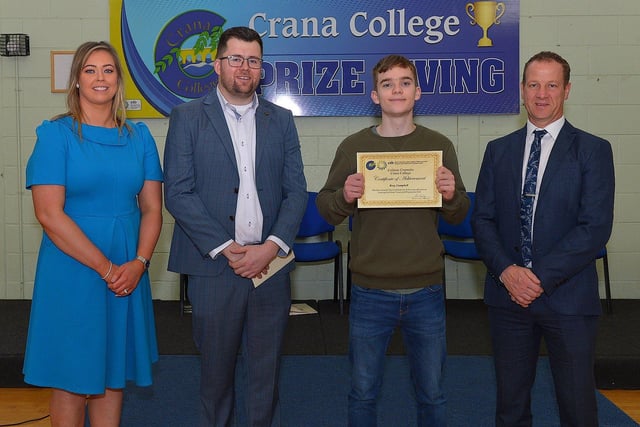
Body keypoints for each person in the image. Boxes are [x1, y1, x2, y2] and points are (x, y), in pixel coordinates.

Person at [163, 26, 307, 427]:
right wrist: (227, 247)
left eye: (254, 60)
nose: (245, 67)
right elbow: (178, 192)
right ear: (217, 64)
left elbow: (296, 191)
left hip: (270, 268)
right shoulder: (187, 118)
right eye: (236, 58)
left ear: (262, 68)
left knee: (266, 376)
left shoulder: (281, 120)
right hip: (214, 269)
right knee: (215, 376)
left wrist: (271, 246)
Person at [316, 54, 470, 427]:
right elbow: (326, 209)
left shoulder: (440, 145)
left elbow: (461, 213)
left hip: (426, 289)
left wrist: (451, 195)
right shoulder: (353, 147)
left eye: (404, 83)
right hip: (370, 290)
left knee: (432, 394)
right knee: (363, 392)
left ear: (417, 92)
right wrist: (344, 196)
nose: (396, 90)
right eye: (387, 84)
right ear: (374, 95)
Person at [23, 41, 163, 426]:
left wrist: (138, 262)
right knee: (71, 378)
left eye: (108, 70)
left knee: (112, 375)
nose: (100, 78)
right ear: (77, 81)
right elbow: (49, 214)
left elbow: (152, 207)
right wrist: (106, 269)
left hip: (129, 271)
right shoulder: (56, 135)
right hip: (73, 268)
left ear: (118, 80)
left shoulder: (140, 137)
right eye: (90, 70)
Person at [472, 51, 615, 427]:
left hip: (567, 299)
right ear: (521, 90)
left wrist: (536, 277)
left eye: (552, 85)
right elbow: (482, 220)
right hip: (508, 299)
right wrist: (507, 272)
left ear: (566, 90)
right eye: (534, 84)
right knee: (511, 408)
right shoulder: (497, 151)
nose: (541, 93)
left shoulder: (594, 150)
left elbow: (595, 227)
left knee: (578, 408)